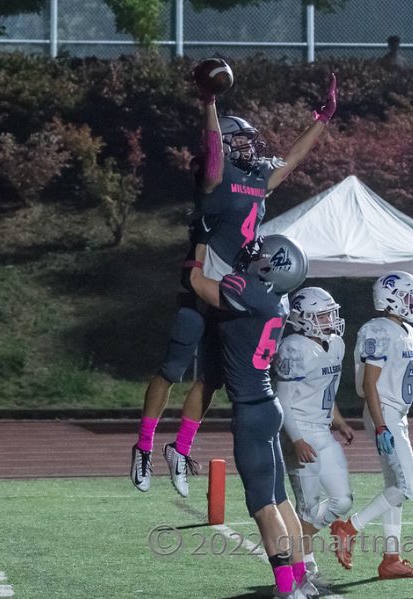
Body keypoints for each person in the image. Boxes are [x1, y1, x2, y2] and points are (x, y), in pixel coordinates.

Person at [130, 71, 339, 497]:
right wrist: (209, 103)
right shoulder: (215, 177)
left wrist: (322, 118)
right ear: (224, 145)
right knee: (171, 369)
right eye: (240, 139)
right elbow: (209, 155)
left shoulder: (258, 178)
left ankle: (180, 448)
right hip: (200, 283)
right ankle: (143, 446)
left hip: (234, 289)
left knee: (212, 378)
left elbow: (292, 160)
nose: (250, 145)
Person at [188, 234, 316, 599]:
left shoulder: (250, 292)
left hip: (250, 411)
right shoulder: (277, 297)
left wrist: (197, 249)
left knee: (261, 507)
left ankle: (287, 588)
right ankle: (300, 577)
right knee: (279, 500)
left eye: (264, 255)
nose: (256, 255)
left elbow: (198, 283)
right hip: (267, 405)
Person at [330, 271, 413, 580]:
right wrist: (381, 425)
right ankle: (349, 528)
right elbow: (371, 383)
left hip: (395, 413)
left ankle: (391, 558)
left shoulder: (407, 332)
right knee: (407, 486)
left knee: (395, 488)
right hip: (383, 412)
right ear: (392, 299)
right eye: (410, 298)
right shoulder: (377, 330)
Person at [273, 286, 355, 594]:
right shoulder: (293, 347)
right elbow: (283, 399)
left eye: (330, 313)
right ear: (304, 318)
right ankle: (303, 564)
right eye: (322, 315)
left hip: (322, 429)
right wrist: (296, 439)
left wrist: (340, 421)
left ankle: (295, 549)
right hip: (299, 431)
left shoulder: (335, 344)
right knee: (307, 508)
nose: (330, 320)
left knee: (342, 500)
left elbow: (326, 391)